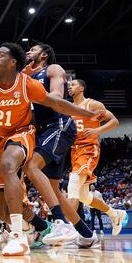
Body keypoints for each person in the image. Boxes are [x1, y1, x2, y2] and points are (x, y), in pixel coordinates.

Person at [0, 42, 103, 256]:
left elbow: (56, 102)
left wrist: (83, 113)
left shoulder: (31, 80)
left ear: (13, 62)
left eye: (0, 55)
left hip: (23, 133)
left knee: (13, 166)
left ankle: (19, 236)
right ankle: (56, 229)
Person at [22, 42, 98, 247]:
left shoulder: (53, 69)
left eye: (34, 49)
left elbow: (56, 96)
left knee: (31, 166)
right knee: (54, 191)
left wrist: (33, 88)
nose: (29, 51)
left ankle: (60, 223)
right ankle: (87, 234)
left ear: (44, 54)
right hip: (46, 129)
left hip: (60, 124)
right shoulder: (26, 77)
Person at [67, 79, 127, 236]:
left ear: (81, 88)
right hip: (74, 151)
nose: (69, 87)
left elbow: (114, 121)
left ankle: (67, 228)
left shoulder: (92, 105)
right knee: (84, 196)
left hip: (88, 149)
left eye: (72, 85)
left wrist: (96, 130)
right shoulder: (69, 108)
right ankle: (115, 214)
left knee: (73, 184)